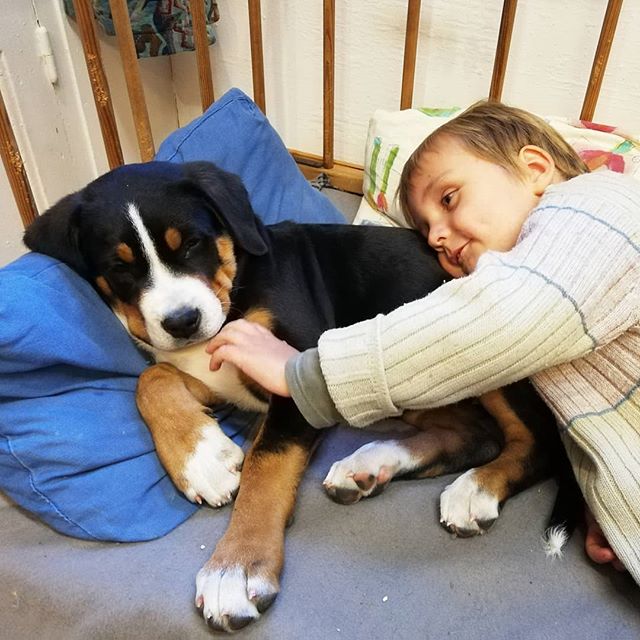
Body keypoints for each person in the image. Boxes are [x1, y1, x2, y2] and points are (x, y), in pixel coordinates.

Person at [206, 100, 640, 581]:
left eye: (449, 199)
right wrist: (614, 497)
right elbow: (591, 415)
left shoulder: (597, 209)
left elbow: (502, 319)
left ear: (535, 168)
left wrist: (309, 375)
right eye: (425, 228)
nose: (436, 237)